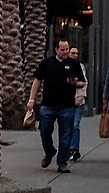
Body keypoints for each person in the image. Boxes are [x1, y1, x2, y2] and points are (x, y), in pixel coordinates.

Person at [24, 37, 81, 173]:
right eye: (63, 49)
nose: (66, 52)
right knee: (44, 130)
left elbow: (82, 82)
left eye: (67, 49)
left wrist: (75, 83)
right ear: (56, 49)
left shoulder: (74, 64)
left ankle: (62, 162)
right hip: (48, 104)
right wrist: (31, 99)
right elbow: (37, 80)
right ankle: (49, 151)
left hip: (67, 105)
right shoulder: (47, 63)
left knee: (66, 134)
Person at [64, 43, 87, 161]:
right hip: (65, 101)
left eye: (77, 53)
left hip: (78, 100)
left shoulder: (80, 66)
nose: (75, 55)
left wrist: (74, 83)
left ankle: (74, 149)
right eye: (73, 53)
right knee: (66, 125)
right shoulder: (63, 65)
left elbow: (83, 82)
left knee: (75, 125)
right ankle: (66, 149)